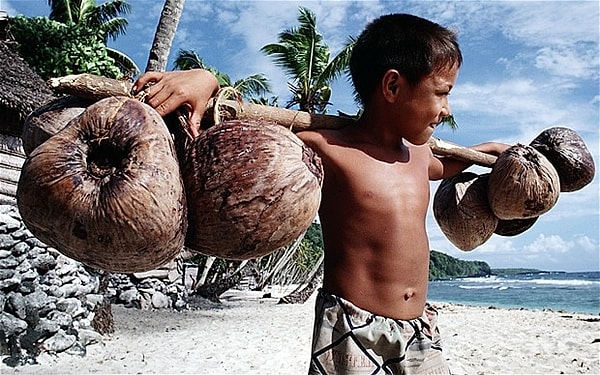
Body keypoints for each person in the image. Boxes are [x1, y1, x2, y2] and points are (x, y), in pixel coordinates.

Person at [134, 13, 508, 375]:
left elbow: (458, 163)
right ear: (392, 87)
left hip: (418, 329)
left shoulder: (422, 157)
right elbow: (239, 132)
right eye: (442, 93)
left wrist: (493, 151)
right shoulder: (323, 147)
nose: (447, 109)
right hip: (353, 327)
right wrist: (204, 80)